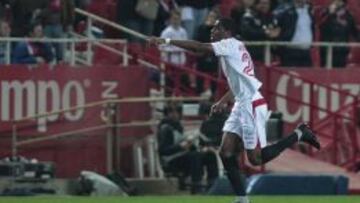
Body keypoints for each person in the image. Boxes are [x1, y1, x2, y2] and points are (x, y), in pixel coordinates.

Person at [149, 18, 320, 203]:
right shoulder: (237, 48)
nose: (212, 31)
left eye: (217, 28)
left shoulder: (229, 44)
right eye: (213, 28)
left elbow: (199, 48)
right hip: (241, 103)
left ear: (227, 32)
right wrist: (224, 100)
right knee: (225, 152)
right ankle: (242, 198)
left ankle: (299, 133)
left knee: (256, 158)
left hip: (251, 104)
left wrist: (166, 41)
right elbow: (242, 82)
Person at [157, 104, 219, 194]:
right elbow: (163, 151)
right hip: (171, 161)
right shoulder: (165, 129)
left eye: (177, 112)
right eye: (171, 112)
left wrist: (195, 146)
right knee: (195, 156)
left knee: (210, 155)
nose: (175, 114)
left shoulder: (178, 126)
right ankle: (196, 186)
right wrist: (181, 146)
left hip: (182, 156)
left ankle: (213, 185)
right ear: (166, 114)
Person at [319, 0, 359, 68]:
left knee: (339, 72)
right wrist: (330, 13)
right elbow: (320, 25)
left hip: (342, 51)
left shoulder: (349, 17)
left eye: (341, 3)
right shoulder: (327, 14)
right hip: (327, 51)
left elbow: (355, 33)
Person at [276, 0, 314, 67]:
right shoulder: (286, 13)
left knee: (307, 74)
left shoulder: (310, 12)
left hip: (306, 51)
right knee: (291, 73)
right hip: (291, 51)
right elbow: (279, 29)